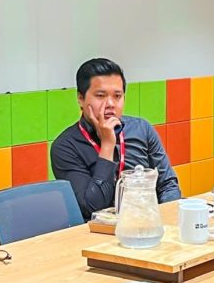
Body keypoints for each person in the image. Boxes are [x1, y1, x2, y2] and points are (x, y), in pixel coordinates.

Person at [50, 58, 181, 220]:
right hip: (97, 235)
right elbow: (91, 208)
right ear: (81, 99)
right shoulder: (65, 147)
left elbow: (168, 185)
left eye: (117, 96)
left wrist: (165, 220)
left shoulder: (142, 129)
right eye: (100, 95)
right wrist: (107, 145)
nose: (110, 104)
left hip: (147, 225)